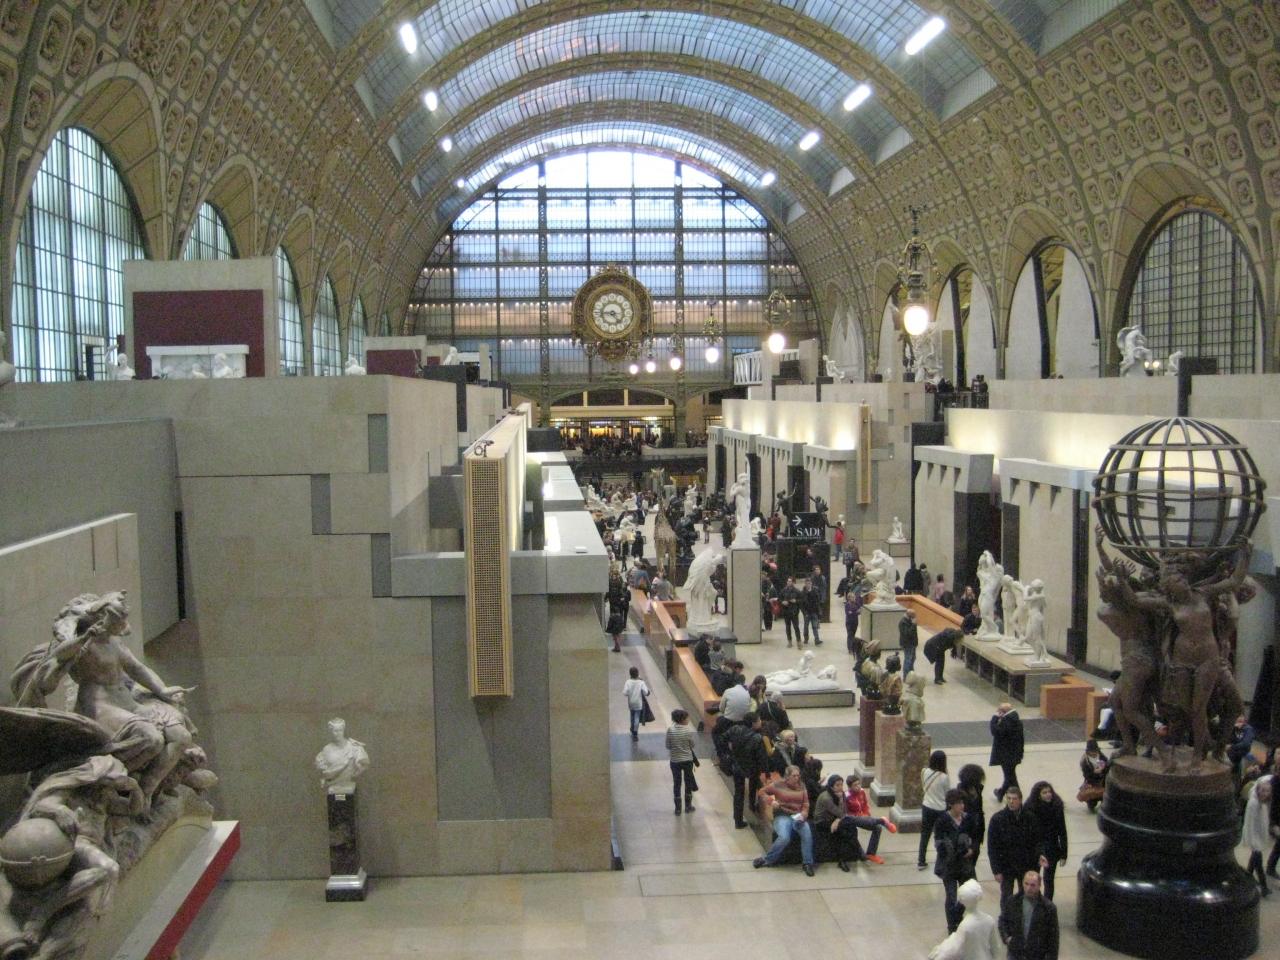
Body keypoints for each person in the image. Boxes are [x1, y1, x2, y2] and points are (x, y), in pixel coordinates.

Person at [753, 765, 817, 876]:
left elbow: (806, 804)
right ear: (787, 777)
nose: (797, 778)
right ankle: (767, 859)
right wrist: (771, 801)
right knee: (784, 837)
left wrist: (804, 813)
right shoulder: (778, 785)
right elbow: (761, 792)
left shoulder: (802, 786)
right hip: (782, 815)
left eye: (798, 776)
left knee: (807, 834)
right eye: (794, 776)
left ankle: (807, 863)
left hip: (797, 816)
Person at [987, 787, 1046, 904]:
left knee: (1026, 895)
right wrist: (996, 870)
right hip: (1006, 865)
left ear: (1020, 800)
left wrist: (1040, 854)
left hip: (1026, 864)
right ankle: (1006, 915)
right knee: (1006, 896)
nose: (1011, 801)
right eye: (1008, 798)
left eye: (1014, 799)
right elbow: (992, 847)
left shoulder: (1030, 818)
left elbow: (1038, 840)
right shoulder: (997, 819)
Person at [934, 788, 978, 933]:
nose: (962, 806)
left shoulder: (968, 819)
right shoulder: (942, 820)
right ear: (951, 805)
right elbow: (938, 843)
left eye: (962, 803)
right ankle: (952, 926)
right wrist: (950, 851)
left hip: (965, 865)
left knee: (970, 893)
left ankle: (957, 917)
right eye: (959, 803)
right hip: (949, 866)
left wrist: (972, 849)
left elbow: (975, 838)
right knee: (951, 896)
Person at [998, 870, 1059, 960]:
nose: (1028, 888)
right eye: (1026, 884)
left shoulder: (1048, 908)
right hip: (1015, 953)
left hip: (1037, 955)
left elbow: (1053, 938)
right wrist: (1007, 938)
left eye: (1033, 885)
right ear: (1022, 883)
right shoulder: (1012, 902)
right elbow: (1003, 920)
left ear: (1039, 885)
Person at [812, 775, 866, 871]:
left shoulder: (841, 794)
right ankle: (843, 860)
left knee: (852, 827)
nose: (840, 787)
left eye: (841, 784)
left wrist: (837, 820)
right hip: (822, 821)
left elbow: (844, 812)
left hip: (834, 819)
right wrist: (840, 801)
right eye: (837, 785)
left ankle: (856, 851)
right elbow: (840, 813)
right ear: (831, 786)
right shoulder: (826, 798)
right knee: (842, 831)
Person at [1024, 782, 1067, 900]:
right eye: (1044, 792)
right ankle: (1032, 902)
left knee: (1049, 880)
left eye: (1049, 792)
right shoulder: (1029, 810)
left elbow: (1062, 831)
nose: (1048, 794)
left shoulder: (1057, 807)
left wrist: (1064, 853)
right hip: (1035, 849)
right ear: (1038, 795)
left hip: (1052, 849)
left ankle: (1047, 904)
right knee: (1032, 879)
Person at [726, 712, 766, 829]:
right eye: (759, 720)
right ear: (753, 723)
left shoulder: (735, 729)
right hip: (752, 767)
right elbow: (761, 757)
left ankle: (738, 820)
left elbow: (722, 739)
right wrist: (764, 770)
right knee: (755, 785)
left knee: (739, 793)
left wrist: (729, 751)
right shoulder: (757, 738)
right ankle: (752, 805)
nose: (760, 722)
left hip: (737, 765)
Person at [843, 775, 896, 863]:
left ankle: (871, 853)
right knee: (868, 826)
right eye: (855, 785)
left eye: (859, 784)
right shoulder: (846, 796)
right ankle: (882, 820)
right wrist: (858, 816)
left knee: (877, 828)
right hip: (853, 818)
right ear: (850, 787)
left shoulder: (862, 791)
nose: (858, 786)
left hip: (864, 817)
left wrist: (866, 814)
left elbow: (865, 805)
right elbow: (846, 812)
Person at [919, 750, 951, 870]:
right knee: (940, 835)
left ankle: (921, 861)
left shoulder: (924, 771)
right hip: (940, 809)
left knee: (925, 834)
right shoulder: (944, 777)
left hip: (927, 806)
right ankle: (942, 859)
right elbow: (948, 793)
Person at [1243, 776, 1273, 895]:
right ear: (1257, 790)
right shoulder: (1254, 804)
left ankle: (1246, 881)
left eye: (1267, 791)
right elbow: (1250, 825)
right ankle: (1263, 887)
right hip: (1254, 840)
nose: (1265, 793)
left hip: (1258, 838)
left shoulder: (1262, 803)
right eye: (1262, 790)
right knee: (1258, 864)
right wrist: (1254, 842)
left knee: (1253, 862)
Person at [665, 708, 698, 815]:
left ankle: (678, 809)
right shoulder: (687, 731)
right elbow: (692, 745)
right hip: (687, 760)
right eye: (687, 718)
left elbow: (667, 745)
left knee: (677, 783)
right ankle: (688, 806)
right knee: (688, 782)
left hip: (675, 761)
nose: (688, 720)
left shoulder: (670, 730)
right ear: (682, 719)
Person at [990, 702, 1024, 801]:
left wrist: (994, 719)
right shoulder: (1016, 720)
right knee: (1010, 776)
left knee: (1010, 777)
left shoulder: (1007, 722)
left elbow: (995, 731)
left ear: (1002, 712)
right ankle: (1002, 793)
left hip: (1006, 755)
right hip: (1014, 754)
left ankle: (1012, 795)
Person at [956, 764, 987, 861]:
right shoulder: (959, 794)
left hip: (977, 830)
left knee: (975, 853)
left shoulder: (977, 789)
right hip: (966, 832)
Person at [1078, 739, 1109, 812]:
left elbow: (1107, 767)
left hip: (1103, 780)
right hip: (1091, 781)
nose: (1094, 753)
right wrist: (1094, 773)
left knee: (1105, 794)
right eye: (1092, 752)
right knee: (1090, 796)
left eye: (1095, 751)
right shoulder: (1085, 761)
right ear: (1088, 752)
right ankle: (1091, 804)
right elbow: (1086, 775)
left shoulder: (1102, 757)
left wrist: (1103, 770)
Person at [622, 666, 650, 742]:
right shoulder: (641, 682)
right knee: (637, 717)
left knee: (632, 716)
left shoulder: (628, 682)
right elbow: (646, 692)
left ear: (630, 674)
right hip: (639, 703)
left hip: (631, 703)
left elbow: (625, 693)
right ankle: (635, 733)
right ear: (637, 673)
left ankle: (631, 728)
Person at [605, 571, 630, 652]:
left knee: (614, 624)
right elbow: (620, 593)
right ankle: (618, 629)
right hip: (617, 606)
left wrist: (606, 598)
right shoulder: (618, 583)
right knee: (617, 621)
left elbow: (609, 592)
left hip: (614, 605)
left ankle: (617, 645)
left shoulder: (612, 583)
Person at [779, 576, 802, 647]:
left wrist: (796, 601)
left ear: (793, 582)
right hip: (786, 612)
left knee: (796, 627)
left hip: (794, 612)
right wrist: (782, 602)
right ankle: (789, 641)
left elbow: (802, 600)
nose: (788, 582)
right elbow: (779, 599)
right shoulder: (783, 590)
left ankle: (799, 641)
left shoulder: (797, 591)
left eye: (790, 581)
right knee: (788, 627)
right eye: (788, 581)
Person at [802, 575, 823, 646]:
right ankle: (806, 639)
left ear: (811, 583)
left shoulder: (815, 590)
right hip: (807, 613)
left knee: (815, 626)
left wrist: (818, 610)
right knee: (806, 627)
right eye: (807, 583)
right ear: (805, 584)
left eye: (809, 583)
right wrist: (804, 612)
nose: (808, 584)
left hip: (814, 612)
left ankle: (817, 640)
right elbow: (802, 604)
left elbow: (818, 600)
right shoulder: (803, 592)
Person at [844, 587, 864, 656]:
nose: (854, 598)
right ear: (849, 598)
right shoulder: (847, 605)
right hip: (849, 622)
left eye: (854, 597)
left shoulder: (856, 604)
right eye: (852, 597)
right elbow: (848, 613)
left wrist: (856, 611)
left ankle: (853, 647)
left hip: (855, 622)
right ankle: (850, 648)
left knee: (853, 635)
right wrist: (856, 612)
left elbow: (860, 609)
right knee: (850, 635)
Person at [899, 609, 919, 676]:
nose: (915, 616)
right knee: (908, 660)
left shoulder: (910, 620)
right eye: (914, 615)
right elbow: (907, 634)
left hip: (912, 644)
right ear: (909, 615)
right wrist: (913, 624)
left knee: (912, 659)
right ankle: (906, 676)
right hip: (907, 644)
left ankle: (911, 674)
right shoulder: (903, 622)